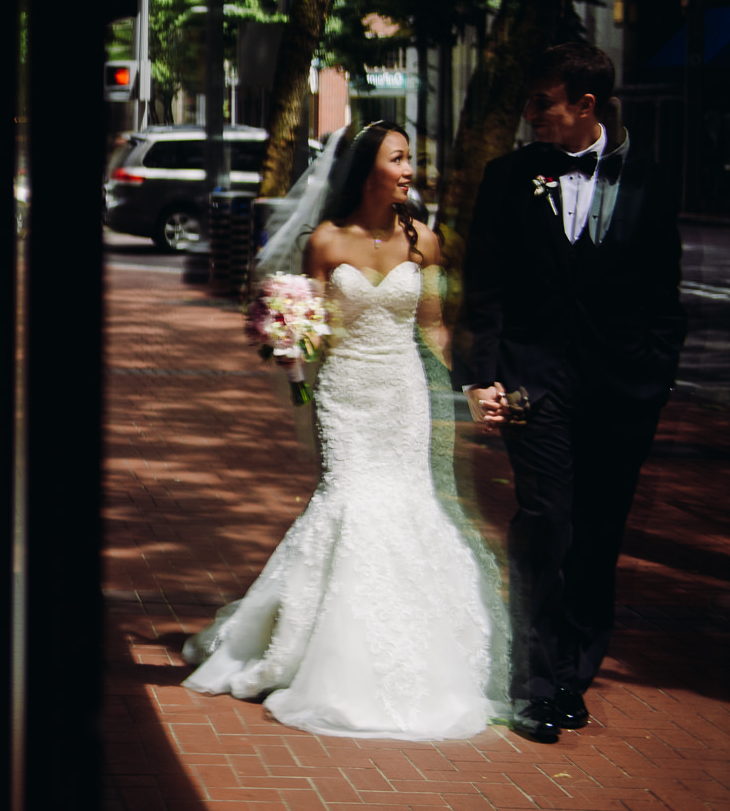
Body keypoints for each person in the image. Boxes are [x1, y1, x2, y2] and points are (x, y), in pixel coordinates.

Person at [183, 121, 505, 740]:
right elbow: (310, 328)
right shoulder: (326, 241)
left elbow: (433, 326)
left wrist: (463, 387)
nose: (411, 169)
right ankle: (321, 651)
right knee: (350, 504)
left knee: (407, 506)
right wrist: (290, 349)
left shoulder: (425, 243)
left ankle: (409, 649)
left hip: (403, 396)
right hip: (345, 394)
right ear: (366, 171)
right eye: (399, 158)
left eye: (413, 157)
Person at [459, 43, 685, 744]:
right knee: (545, 525)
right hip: (535, 385)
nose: (530, 116)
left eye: (542, 103)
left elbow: (661, 293)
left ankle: (571, 676)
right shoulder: (508, 178)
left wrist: (656, 377)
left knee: (597, 539)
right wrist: (482, 376)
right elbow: (485, 289)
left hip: (623, 393)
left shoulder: (647, 180)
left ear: (586, 105)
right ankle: (531, 686)